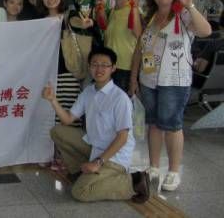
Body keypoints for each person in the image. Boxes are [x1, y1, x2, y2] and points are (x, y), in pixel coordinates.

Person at [129, 0, 212, 191]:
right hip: (149, 80)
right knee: (154, 124)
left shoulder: (184, 15)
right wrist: (134, 77)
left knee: (172, 125)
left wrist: (190, 5)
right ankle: (154, 166)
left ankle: (174, 171)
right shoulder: (151, 17)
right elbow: (140, 48)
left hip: (174, 81)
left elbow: (206, 31)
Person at [42, 46, 150, 203]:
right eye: (94, 64)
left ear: (113, 68)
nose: (99, 69)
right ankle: (79, 172)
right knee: (58, 131)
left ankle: (133, 182)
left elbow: (123, 137)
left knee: (80, 192)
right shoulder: (88, 92)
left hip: (114, 157)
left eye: (104, 65)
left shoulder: (119, 98)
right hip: (94, 147)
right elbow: (67, 119)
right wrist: (52, 100)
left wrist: (98, 162)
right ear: (89, 66)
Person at [103, 0, 142, 92]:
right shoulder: (113, 11)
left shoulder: (134, 9)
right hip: (110, 67)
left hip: (125, 68)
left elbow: (139, 35)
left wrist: (133, 79)